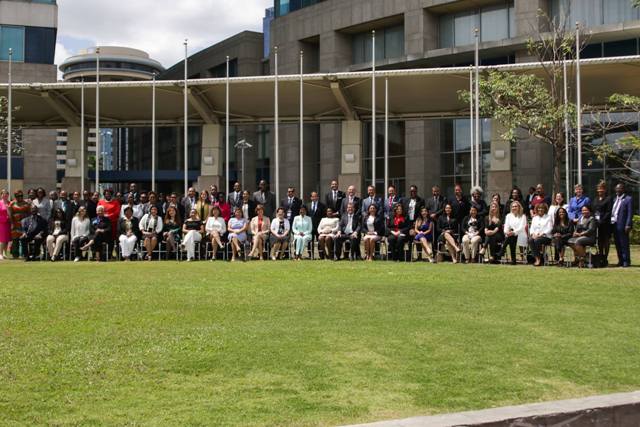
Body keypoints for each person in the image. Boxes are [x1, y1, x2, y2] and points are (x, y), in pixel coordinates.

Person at [611, 183, 633, 267]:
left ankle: (626, 261)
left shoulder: (628, 199)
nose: (617, 190)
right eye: (616, 189)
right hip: (614, 224)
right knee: (617, 244)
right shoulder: (614, 199)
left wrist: (628, 225)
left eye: (619, 189)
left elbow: (630, 213)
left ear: (623, 189)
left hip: (623, 225)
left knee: (624, 244)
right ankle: (620, 260)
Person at [592, 181, 613, 263]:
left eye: (601, 189)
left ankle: (605, 258)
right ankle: (600, 256)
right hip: (597, 223)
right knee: (600, 241)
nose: (600, 190)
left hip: (605, 223)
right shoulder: (595, 199)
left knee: (606, 241)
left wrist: (601, 220)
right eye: (599, 189)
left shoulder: (609, 198)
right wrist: (595, 219)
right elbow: (593, 210)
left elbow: (608, 211)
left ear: (605, 190)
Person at [9, 190, 30, 259]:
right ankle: (15, 255)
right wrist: (12, 224)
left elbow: (29, 213)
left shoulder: (26, 203)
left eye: (21, 196)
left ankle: (24, 254)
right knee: (15, 240)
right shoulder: (12, 204)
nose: (20, 197)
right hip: (15, 223)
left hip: (24, 224)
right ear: (15, 196)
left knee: (24, 239)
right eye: (18, 196)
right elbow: (10, 215)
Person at [0, 190, 12, 259]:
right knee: (2, 239)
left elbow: (11, 213)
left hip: (8, 222)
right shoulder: (0, 202)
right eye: (3, 194)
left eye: (6, 194)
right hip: (1, 223)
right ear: (1, 195)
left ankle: (5, 253)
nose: (5, 195)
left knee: (7, 239)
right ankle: (0, 254)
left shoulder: (9, 203)